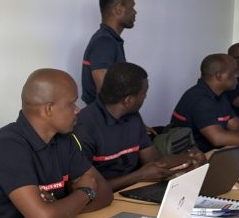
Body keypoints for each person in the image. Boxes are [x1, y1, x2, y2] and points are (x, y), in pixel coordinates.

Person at [0, 69, 113, 218]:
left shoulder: (64, 140)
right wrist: (85, 192)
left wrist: (60, 210)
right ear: (48, 109)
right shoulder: (7, 145)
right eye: (71, 103)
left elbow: (105, 193)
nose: (77, 110)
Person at [73, 62, 206, 192]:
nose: (145, 97)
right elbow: (87, 189)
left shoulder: (133, 117)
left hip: (134, 189)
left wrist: (190, 157)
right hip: (103, 198)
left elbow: (154, 161)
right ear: (128, 100)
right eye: (144, 93)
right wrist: (139, 176)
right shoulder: (84, 127)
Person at [171, 54, 239, 152]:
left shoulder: (219, 95)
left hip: (211, 154)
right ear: (219, 76)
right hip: (194, 157)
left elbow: (237, 126)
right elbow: (218, 138)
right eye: (233, 72)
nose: (237, 75)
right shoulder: (200, 98)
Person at [81, 0, 136, 104]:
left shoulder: (109, 40)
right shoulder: (104, 42)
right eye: (132, 7)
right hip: (102, 116)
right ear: (118, 9)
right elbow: (106, 97)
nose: (135, 12)